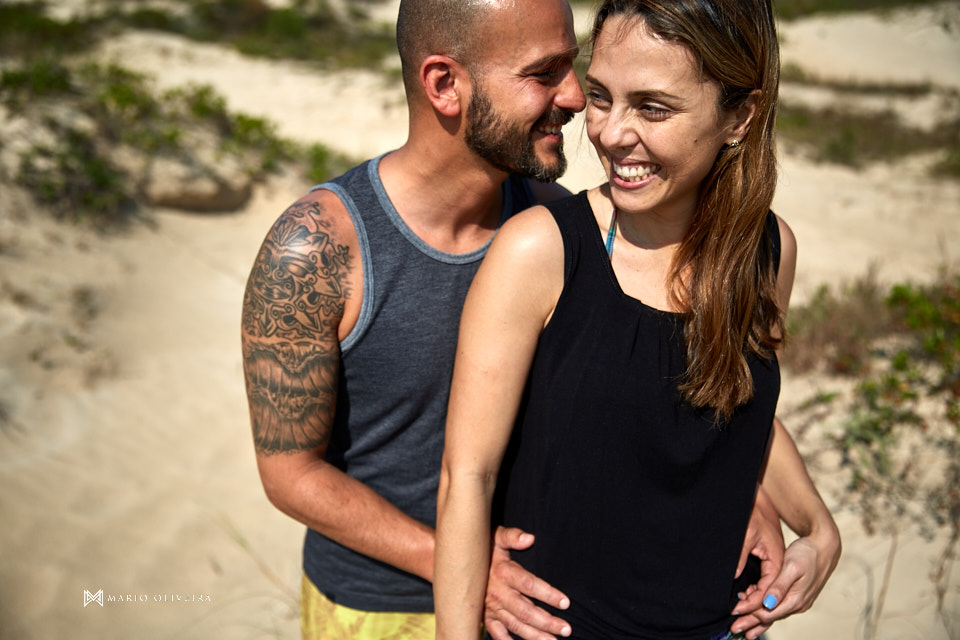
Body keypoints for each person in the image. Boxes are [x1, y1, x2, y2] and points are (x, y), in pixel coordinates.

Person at [242, 0, 816, 638]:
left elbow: (655, 380)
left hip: (533, 589)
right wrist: (461, 566)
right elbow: (289, 473)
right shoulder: (316, 249)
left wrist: (749, 491)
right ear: (445, 84)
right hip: (381, 603)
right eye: (545, 74)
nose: (575, 99)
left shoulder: (553, 214)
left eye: (574, 69)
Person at [434, 1, 841, 639]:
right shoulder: (540, 250)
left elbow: (733, 406)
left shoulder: (768, 252)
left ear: (740, 115)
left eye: (652, 107)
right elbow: (467, 478)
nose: (610, 133)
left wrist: (818, 527)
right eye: (600, 96)